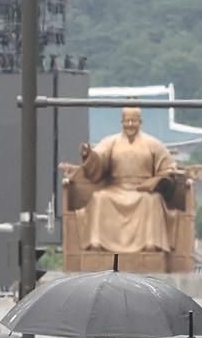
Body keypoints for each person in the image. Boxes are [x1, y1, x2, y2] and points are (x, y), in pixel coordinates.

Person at [76, 106, 182, 254]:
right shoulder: (110, 141)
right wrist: (89, 154)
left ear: (140, 122)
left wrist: (162, 177)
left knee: (152, 201)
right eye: (127, 121)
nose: (130, 124)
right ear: (122, 122)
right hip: (116, 188)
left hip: (142, 189)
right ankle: (97, 242)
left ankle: (150, 244)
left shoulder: (153, 144)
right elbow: (98, 159)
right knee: (99, 198)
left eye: (134, 121)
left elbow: (168, 166)